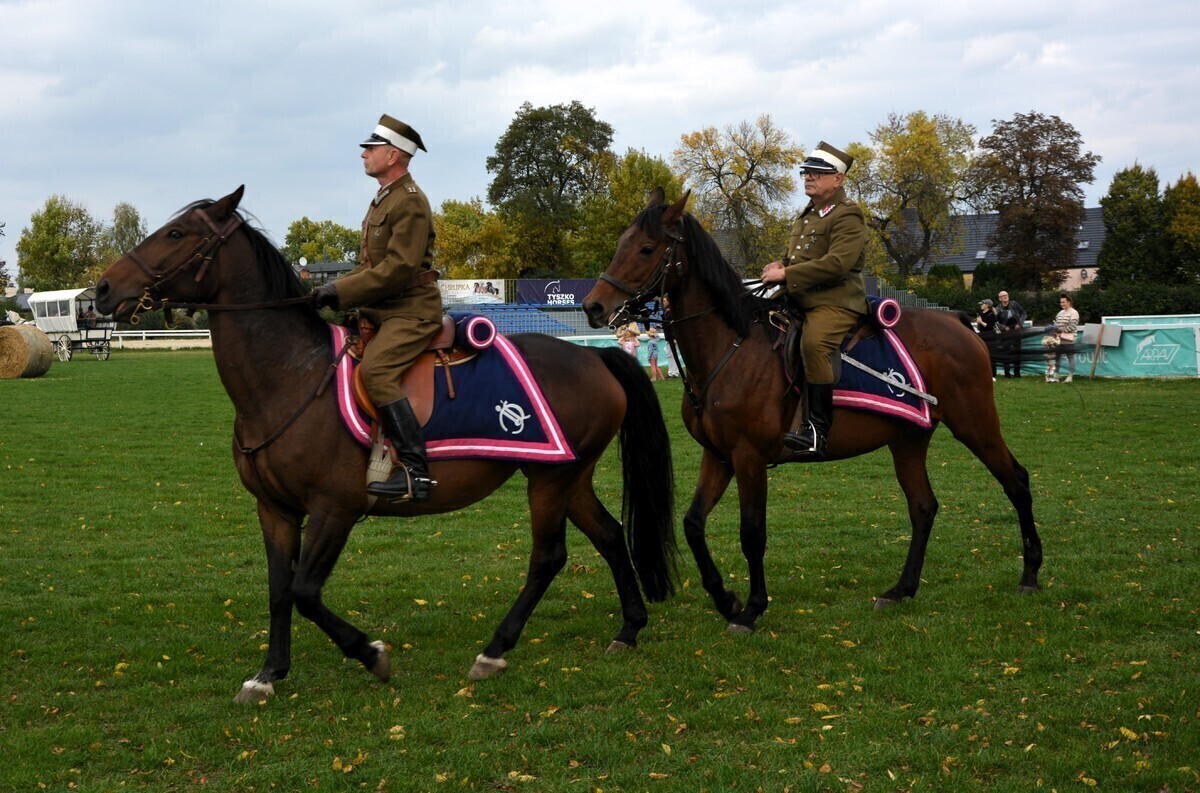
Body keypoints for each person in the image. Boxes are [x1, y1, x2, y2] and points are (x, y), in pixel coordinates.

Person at [312, 114, 443, 502]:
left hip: (410, 311)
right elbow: (370, 266)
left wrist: (340, 291)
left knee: (377, 372)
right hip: (384, 309)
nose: (363, 154)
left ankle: (416, 473)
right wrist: (328, 290)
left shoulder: (410, 201)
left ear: (393, 155)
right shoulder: (384, 199)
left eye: (371, 148)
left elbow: (400, 268)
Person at [760, 141, 869, 459]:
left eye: (817, 173)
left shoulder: (848, 214)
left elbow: (838, 264)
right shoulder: (808, 214)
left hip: (835, 300)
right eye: (806, 172)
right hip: (799, 296)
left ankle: (817, 431)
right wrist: (780, 265)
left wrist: (787, 274)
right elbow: (797, 259)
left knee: (814, 344)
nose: (808, 177)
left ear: (838, 179)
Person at [1042, 292, 1080, 383]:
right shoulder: (1059, 313)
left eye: (1063, 302)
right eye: (1061, 302)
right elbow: (1056, 325)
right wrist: (1053, 331)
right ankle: (1056, 375)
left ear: (1069, 302)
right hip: (1058, 340)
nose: (1061, 304)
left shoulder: (1074, 313)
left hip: (1069, 339)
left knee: (1070, 357)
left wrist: (1059, 331)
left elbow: (1072, 327)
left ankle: (1070, 376)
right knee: (1057, 357)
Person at [995, 290, 1027, 378]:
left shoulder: (1014, 304)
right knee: (1006, 352)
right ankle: (1007, 373)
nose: (1005, 296)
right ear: (1000, 299)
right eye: (1003, 296)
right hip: (1006, 332)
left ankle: (1017, 373)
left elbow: (1023, 313)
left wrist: (1020, 323)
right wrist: (1004, 327)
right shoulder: (997, 309)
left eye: (1006, 295)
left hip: (1016, 330)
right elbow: (995, 322)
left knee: (1017, 351)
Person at [976, 298, 1000, 379]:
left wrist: (981, 322)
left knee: (991, 355)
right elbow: (979, 327)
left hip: (990, 336)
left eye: (982, 304)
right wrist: (978, 323)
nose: (981, 305)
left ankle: (993, 375)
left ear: (987, 305)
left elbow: (989, 326)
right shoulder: (981, 313)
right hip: (982, 335)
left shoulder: (991, 314)